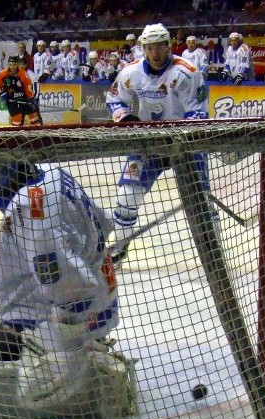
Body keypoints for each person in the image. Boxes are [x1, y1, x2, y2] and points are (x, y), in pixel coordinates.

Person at [0, 161, 134, 419]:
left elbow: (68, 284)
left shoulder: (31, 212)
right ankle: (20, 331)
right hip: (95, 290)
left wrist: (70, 351)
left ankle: (91, 365)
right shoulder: (52, 175)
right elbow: (102, 221)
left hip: (77, 317)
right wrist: (87, 249)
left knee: (32, 394)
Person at [105, 23, 209, 262]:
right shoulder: (130, 72)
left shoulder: (187, 72)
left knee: (201, 202)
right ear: (143, 48)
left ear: (168, 45)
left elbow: (199, 113)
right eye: (149, 48)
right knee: (126, 197)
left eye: (159, 47)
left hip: (186, 146)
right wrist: (125, 117)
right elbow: (114, 98)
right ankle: (120, 249)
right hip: (148, 145)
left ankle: (212, 253)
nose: (154, 53)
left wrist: (178, 133)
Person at [0, 55, 43, 127]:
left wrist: (31, 98)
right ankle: (16, 137)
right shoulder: (3, 74)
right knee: (17, 120)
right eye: (11, 65)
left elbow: (27, 86)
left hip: (23, 98)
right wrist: (2, 94)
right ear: (8, 64)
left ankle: (37, 134)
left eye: (14, 64)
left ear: (17, 64)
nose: (12, 67)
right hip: (11, 100)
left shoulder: (23, 73)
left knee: (34, 116)